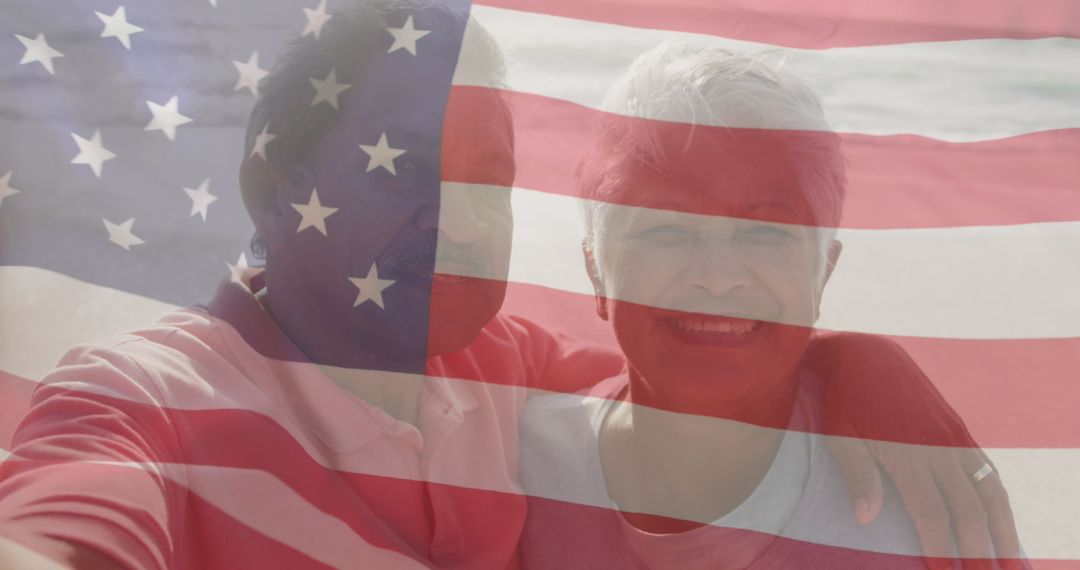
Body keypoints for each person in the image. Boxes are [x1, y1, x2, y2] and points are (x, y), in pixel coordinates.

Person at [0, 1, 1017, 568]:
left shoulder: (503, 370)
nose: (459, 215)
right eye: (403, 164)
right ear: (275, 188)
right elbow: (63, 522)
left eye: (490, 173)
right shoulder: (149, 400)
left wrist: (857, 363)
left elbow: (690, 362)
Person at [519, 41, 1023, 569]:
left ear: (822, 273)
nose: (716, 278)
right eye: (665, 228)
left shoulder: (925, 518)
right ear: (595, 268)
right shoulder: (509, 465)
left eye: (767, 233)